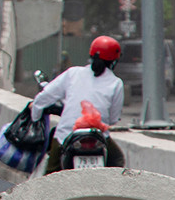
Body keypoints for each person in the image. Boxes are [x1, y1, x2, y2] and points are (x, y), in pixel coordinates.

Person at [30, 35, 125, 174]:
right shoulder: (116, 83)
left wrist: (35, 116)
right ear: (114, 60)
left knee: (51, 174)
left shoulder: (73, 73)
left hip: (67, 135)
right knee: (117, 160)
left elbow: (44, 97)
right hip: (98, 135)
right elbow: (113, 119)